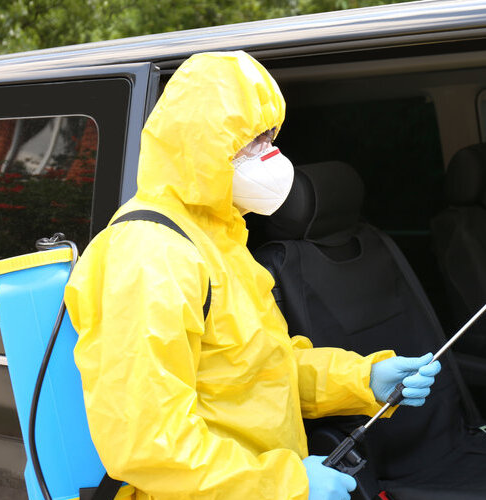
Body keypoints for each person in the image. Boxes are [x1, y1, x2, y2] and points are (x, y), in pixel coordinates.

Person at [65, 51, 441, 500]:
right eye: (249, 144)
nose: (271, 157)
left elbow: (264, 370)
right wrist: (286, 484)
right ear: (199, 145)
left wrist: (364, 379)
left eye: (269, 137)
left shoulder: (220, 240)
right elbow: (148, 443)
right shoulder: (150, 255)